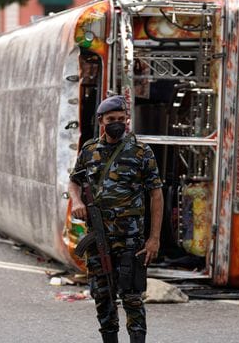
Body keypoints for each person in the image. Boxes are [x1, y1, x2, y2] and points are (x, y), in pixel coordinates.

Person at [69, 95, 164, 343]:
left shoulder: (141, 152)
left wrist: (153, 238)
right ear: (101, 120)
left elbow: (156, 195)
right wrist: (77, 202)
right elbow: (74, 181)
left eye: (122, 119)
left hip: (131, 239)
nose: (117, 124)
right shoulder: (89, 151)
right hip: (98, 238)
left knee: (132, 298)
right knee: (102, 297)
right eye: (112, 119)